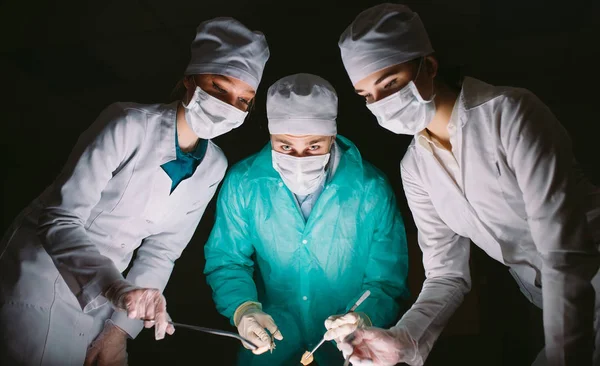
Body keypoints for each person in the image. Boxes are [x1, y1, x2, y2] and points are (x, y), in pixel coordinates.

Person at [335, 3, 600, 366]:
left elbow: (563, 252)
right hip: (560, 306)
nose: (382, 105)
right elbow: (446, 275)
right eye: (367, 96)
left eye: (391, 83)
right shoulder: (415, 167)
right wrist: (403, 340)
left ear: (428, 65)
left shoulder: (510, 113)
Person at [0, 17, 269, 365]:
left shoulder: (214, 165)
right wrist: (116, 288)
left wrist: (119, 331)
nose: (229, 106)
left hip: (112, 297)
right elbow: (59, 219)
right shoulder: (127, 123)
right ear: (190, 80)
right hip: (43, 280)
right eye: (219, 88)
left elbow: (162, 251)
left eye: (243, 100)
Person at [203, 73, 410, 365]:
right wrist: (244, 309)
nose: (299, 159)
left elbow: (386, 281)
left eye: (314, 146)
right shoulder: (245, 183)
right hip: (272, 338)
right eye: (285, 146)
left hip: (347, 346)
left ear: (332, 136)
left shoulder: (370, 189)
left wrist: (363, 317)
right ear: (271, 136)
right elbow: (227, 260)